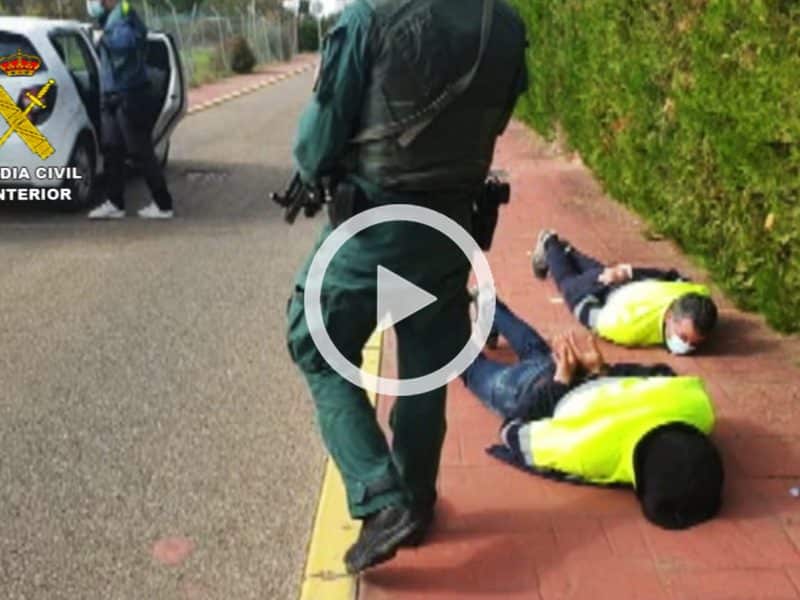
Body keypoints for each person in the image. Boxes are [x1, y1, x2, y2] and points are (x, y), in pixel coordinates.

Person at [286, 0, 527, 573]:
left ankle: (380, 496)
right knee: (425, 364)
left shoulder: (369, 16)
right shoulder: (506, 22)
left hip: (377, 227)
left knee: (315, 343)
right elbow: (495, 118)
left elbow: (316, 144)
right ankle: (417, 501)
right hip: (451, 226)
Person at [462, 299, 724, 530]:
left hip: (579, 370)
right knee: (469, 364)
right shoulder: (591, 451)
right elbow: (513, 432)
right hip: (536, 390)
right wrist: (559, 383)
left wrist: (600, 371)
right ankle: (440, 329)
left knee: (536, 351)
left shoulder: (697, 407)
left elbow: (660, 374)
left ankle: (489, 303)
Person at [530, 230, 718, 354]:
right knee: (569, 285)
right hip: (611, 304)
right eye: (683, 337)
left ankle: (566, 251)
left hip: (622, 292)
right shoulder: (628, 328)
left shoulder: (698, 297)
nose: (686, 346)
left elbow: (670, 277)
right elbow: (593, 317)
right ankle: (550, 243)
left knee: (598, 273)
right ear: (670, 316)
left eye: (694, 343)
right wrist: (627, 272)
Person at [87, 0, 174, 220]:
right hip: (113, 93)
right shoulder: (112, 17)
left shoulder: (123, 16)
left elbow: (126, 44)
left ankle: (163, 204)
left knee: (140, 150)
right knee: (112, 150)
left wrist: (104, 38)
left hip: (128, 93)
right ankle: (115, 203)